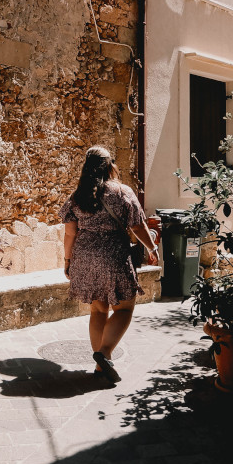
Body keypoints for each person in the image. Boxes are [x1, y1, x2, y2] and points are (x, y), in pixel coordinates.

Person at [60, 146, 158, 382]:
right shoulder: (122, 192)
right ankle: (104, 353)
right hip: (114, 256)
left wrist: (67, 260)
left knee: (98, 309)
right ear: (110, 166)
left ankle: (101, 367)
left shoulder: (77, 196)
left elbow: (70, 233)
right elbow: (137, 225)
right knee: (124, 309)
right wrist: (151, 247)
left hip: (85, 256)